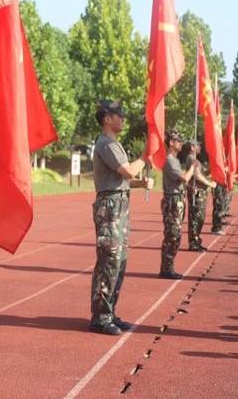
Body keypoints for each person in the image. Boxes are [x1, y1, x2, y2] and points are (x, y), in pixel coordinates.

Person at [90, 99, 154, 335]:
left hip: (118, 205)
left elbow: (124, 179)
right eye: (118, 114)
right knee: (109, 261)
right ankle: (100, 317)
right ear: (107, 118)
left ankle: (110, 312)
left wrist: (140, 182)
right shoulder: (106, 144)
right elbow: (127, 171)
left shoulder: (114, 144)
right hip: (109, 208)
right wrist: (146, 154)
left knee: (120, 261)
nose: (122, 118)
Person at [160, 129, 196, 279]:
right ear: (171, 143)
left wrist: (188, 188)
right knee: (172, 236)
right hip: (172, 202)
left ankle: (168, 267)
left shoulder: (174, 160)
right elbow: (184, 178)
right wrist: (193, 167)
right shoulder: (169, 160)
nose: (181, 143)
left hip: (178, 200)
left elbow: (180, 183)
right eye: (178, 141)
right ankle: (166, 269)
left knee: (176, 235)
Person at [182, 140, 213, 252]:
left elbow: (204, 173)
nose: (200, 147)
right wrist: (210, 183)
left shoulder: (196, 160)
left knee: (200, 217)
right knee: (195, 217)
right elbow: (197, 175)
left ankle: (196, 239)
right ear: (192, 147)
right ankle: (193, 242)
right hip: (196, 192)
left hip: (201, 193)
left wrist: (214, 166)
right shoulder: (191, 158)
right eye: (198, 145)